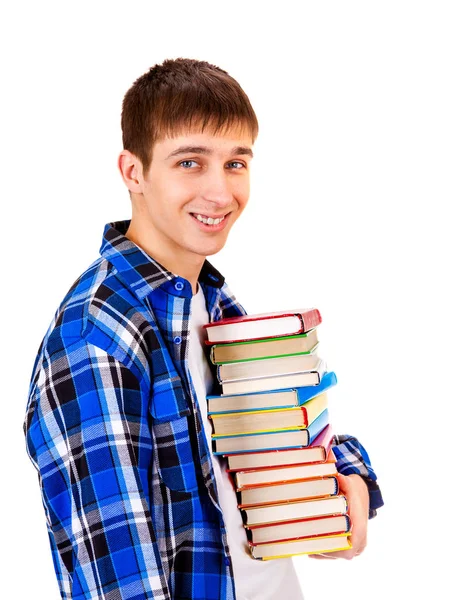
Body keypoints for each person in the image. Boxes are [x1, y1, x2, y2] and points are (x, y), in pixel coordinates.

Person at [23, 57, 383, 600]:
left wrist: (350, 476)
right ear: (133, 172)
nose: (220, 193)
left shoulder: (212, 302)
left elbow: (278, 437)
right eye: (190, 162)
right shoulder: (96, 337)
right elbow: (119, 583)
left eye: (236, 163)